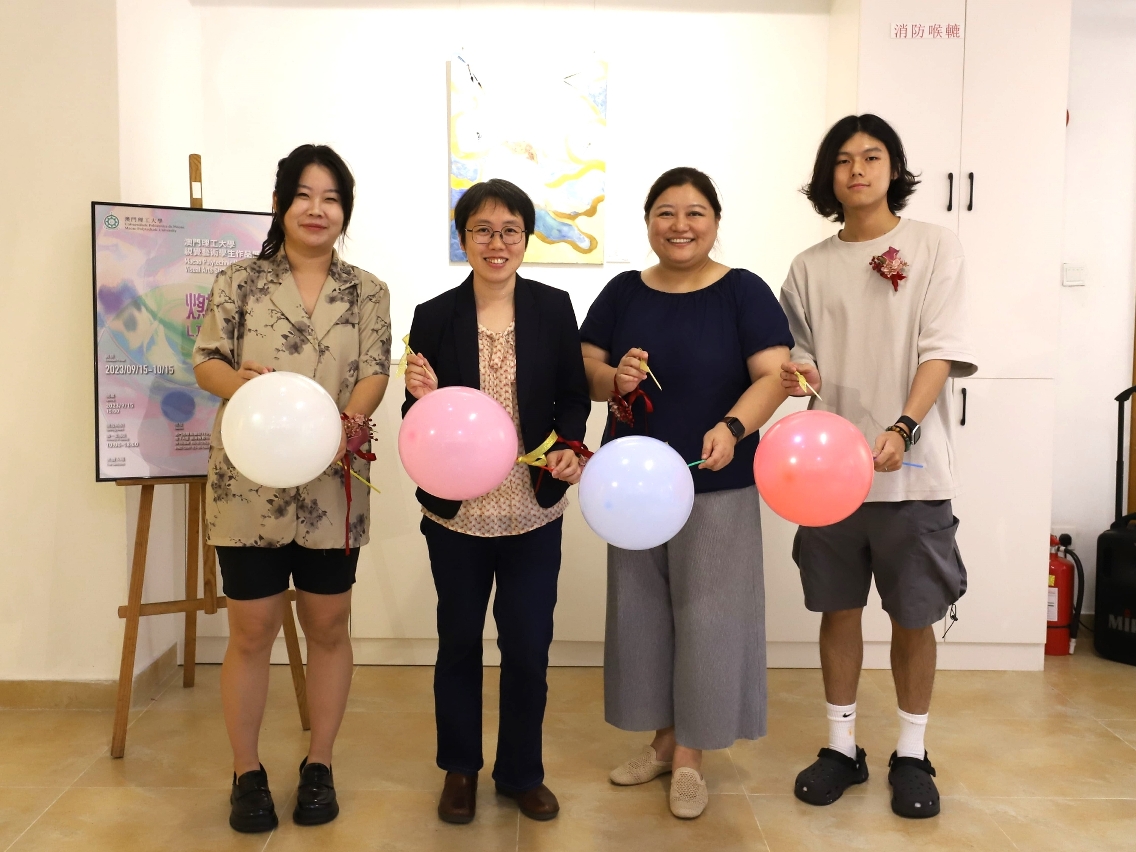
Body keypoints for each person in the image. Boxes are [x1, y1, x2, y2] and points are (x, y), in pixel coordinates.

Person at [579, 167, 792, 819]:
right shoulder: (623, 291)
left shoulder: (743, 291)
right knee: (642, 614)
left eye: (695, 212)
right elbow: (585, 368)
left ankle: (693, 758)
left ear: (716, 222)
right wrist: (615, 378)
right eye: (665, 212)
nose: (680, 225)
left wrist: (733, 427)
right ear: (648, 222)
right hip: (633, 486)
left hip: (717, 480)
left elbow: (774, 377)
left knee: (709, 617)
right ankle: (663, 740)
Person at [779, 114, 976, 819]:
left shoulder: (933, 246)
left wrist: (903, 426)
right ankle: (841, 748)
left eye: (871, 157)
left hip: (912, 472)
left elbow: (939, 351)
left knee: (913, 617)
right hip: (829, 477)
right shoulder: (807, 267)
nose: (857, 169)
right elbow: (798, 355)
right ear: (827, 176)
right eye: (843, 159)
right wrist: (799, 374)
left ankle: (912, 754)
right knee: (838, 610)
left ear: (894, 168)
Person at [193, 144, 391, 832]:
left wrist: (348, 421)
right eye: (304, 195)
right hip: (248, 482)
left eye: (331, 198)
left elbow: (374, 370)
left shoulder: (367, 291)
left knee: (328, 625)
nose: (317, 209)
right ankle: (246, 772)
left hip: (334, 481)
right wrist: (242, 386)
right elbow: (207, 362)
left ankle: (320, 762)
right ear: (280, 204)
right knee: (252, 629)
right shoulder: (239, 281)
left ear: (345, 211)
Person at [402, 178, 591, 825]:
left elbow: (573, 395)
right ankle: (459, 769)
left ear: (526, 238)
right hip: (457, 514)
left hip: (534, 509)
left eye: (510, 229)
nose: (497, 242)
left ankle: (520, 773)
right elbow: (415, 420)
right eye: (482, 230)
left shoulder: (553, 308)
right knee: (459, 643)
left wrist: (571, 448)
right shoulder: (434, 315)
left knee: (528, 648)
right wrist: (421, 398)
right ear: (463, 239)